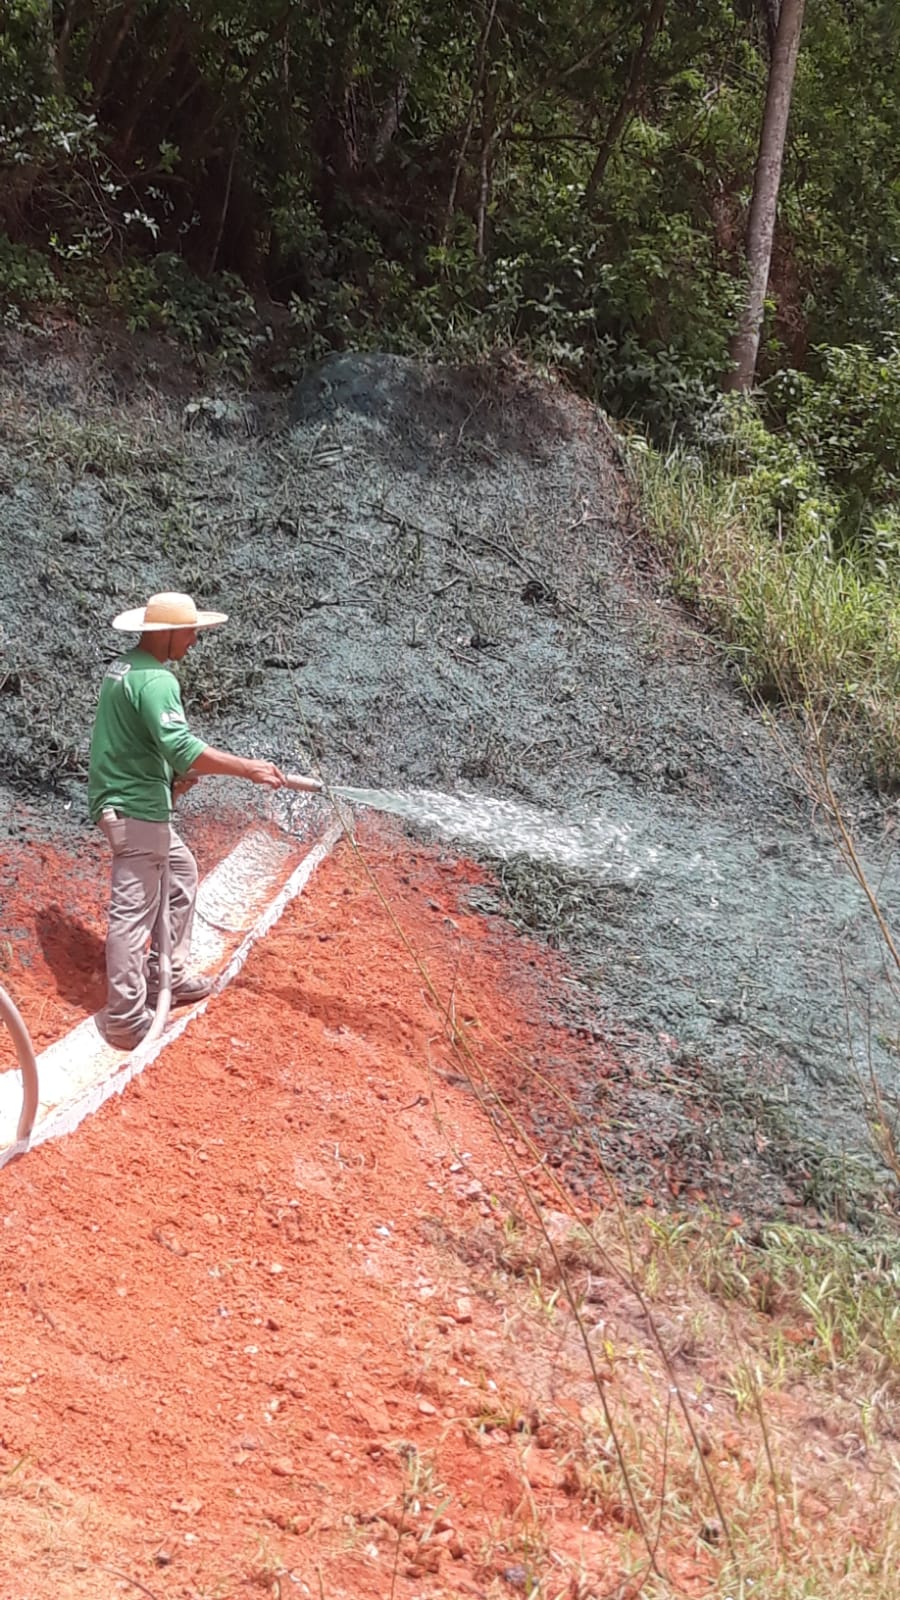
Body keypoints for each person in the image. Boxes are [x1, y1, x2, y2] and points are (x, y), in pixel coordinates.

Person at [88, 591, 285, 1050]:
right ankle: (124, 1017)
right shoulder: (157, 680)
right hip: (136, 810)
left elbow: (137, 741)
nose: (195, 640)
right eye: (191, 631)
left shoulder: (125, 669)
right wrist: (247, 768)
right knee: (132, 915)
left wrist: (175, 777)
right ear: (169, 633)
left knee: (180, 873)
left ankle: (166, 976)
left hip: (128, 800)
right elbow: (179, 745)